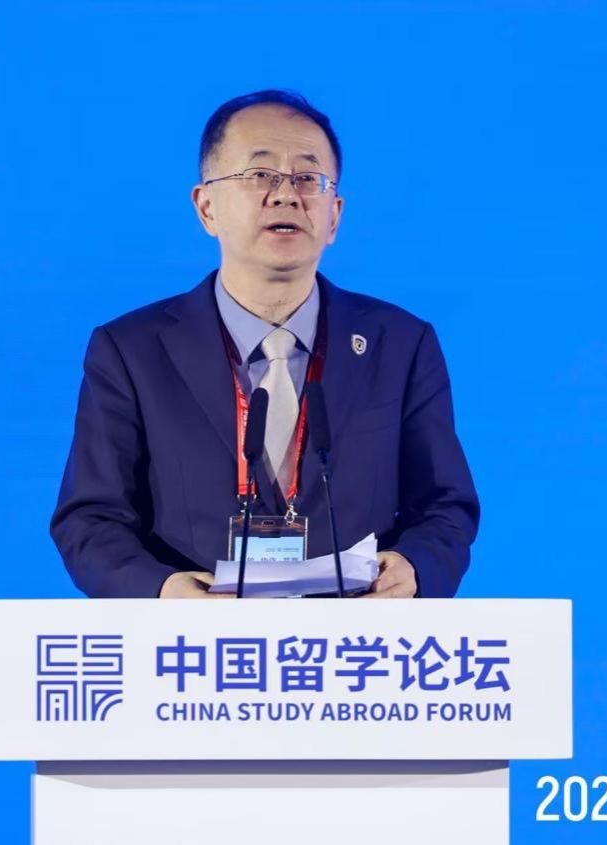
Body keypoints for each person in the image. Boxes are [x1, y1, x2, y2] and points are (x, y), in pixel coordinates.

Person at [50, 90, 478, 599]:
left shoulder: (401, 344)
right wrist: (162, 592)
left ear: (334, 216)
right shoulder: (131, 351)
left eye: (308, 178)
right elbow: (90, 519)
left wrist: (415, 567)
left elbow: (445, 506)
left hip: (353, 636)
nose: (286, 195)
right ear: (206, 208)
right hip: (196, 639)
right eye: (260, 175)